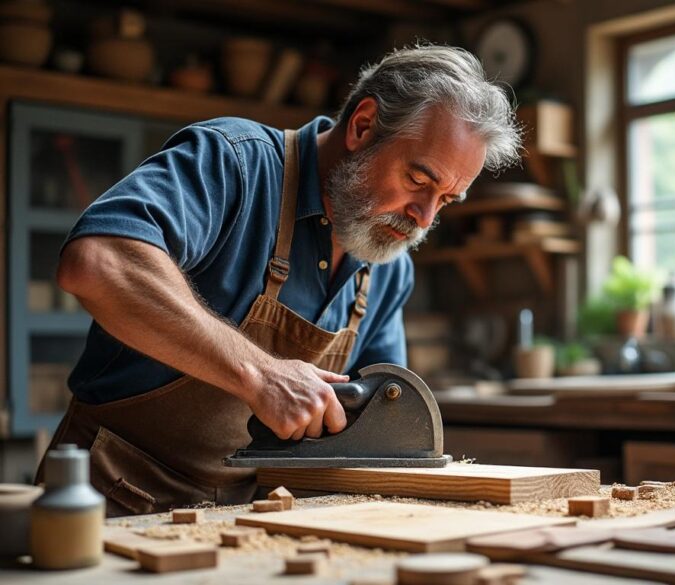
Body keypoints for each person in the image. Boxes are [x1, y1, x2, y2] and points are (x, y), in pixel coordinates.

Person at [38, 45, 521, 516]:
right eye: (418, 180)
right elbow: (98, 261)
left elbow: (379, 432)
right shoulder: (236, 163)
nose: (423, 218)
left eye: (446, 201)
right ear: (362, 125)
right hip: (110, 498)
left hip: (247, 519)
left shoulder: (388, 267)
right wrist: (259, 374)